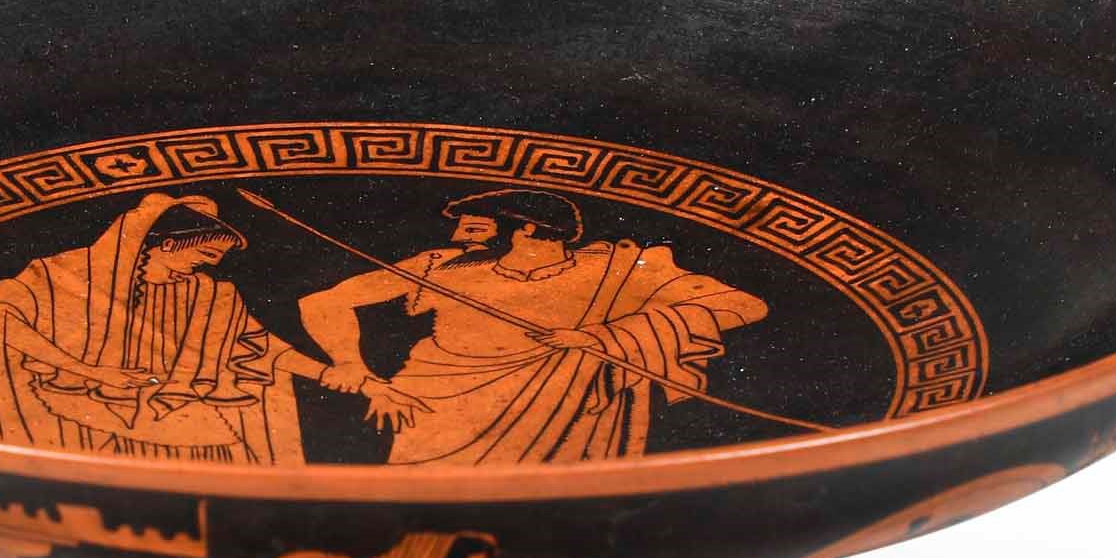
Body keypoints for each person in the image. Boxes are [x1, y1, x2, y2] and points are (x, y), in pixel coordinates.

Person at [295, 188, 767, 466]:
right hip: (434, 405)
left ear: (525, 229)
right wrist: (350, 364)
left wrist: (604, 337)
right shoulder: (441, 265)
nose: (457, 236)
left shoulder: (618, 270)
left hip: (567, 409)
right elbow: (323, 300)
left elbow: (743, 306)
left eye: (475, 229)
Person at [0, 193, 349, 463]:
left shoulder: (210, 295)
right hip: (89, 417)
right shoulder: (64, 275)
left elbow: (262, 348)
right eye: (205, 254)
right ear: (168, 243)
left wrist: (330, 374)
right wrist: (88, 371)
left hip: (179, 417)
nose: (209, 265)